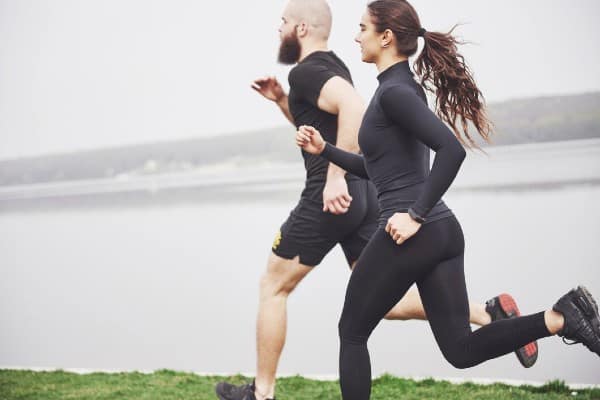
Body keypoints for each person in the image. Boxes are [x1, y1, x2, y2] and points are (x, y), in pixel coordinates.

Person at [216, 1, 537, 399]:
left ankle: (261, 394)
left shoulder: (309, 71)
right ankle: (489, 315)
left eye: (283, 21)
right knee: (385, 303)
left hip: (331, 198)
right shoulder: (338, 68)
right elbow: (354, 137)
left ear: (301, 28)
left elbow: (355, 109)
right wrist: (288, 107)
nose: (278, 27)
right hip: (372, 199)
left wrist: (338, 180)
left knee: (276, 288)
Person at [295, 1, 600, 398]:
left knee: (351, 332)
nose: (356, 36)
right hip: (441, 234)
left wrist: (414, 216)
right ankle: (562, 316)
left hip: (412, 232)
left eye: (362, 28)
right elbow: (378, 168)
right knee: (460, 349)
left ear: (386, 37)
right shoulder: (398, 90)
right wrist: (326, 150)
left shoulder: (395, 95)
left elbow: (451, 150)